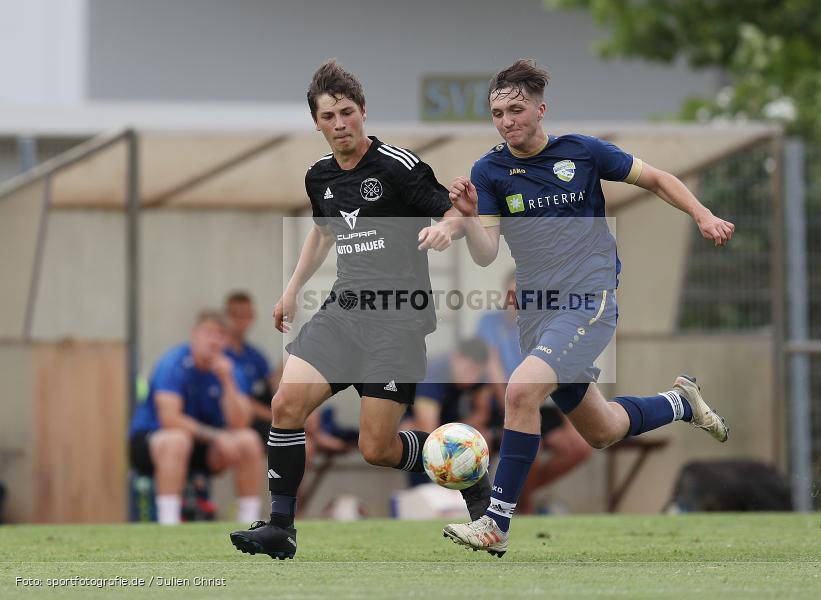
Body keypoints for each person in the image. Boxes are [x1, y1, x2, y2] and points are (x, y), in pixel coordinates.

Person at [443, 59, 733, 556]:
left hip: (588, 299)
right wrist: (470, 219)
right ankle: (681, 402)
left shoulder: (582, 152)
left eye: (516, 109)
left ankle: (495, 522)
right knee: (603, 431)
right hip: (537, 313)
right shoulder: (488, 170)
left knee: (520, 392)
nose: (507, 121)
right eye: (497, 113)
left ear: (540, 108)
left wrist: (702, 215)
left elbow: (658, 179)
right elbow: (487, 253)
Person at [229, 59, 491, 559]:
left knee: (378, 449)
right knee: (285, 405)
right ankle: (280, 527)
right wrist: (292, 289)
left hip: (398, 321)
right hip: (342, 315)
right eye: (328, 117)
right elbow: (324, 231)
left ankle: (469, 470)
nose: (339, 124)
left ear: (363, 112)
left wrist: (445, 229)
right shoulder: (319, 177)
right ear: (317, 123)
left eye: (347, 112)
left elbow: (455, 211)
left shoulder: (399, 166)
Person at [128, 310, 264, 525]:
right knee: (176, 440)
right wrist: (218, 436)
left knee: (248, 439)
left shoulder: (231, 369)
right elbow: (169, 419)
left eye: (220, 335)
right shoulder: (173, 363)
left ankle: (249, 520)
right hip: (154, 440)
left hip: (202, 444)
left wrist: (228, 381)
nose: (213, 340)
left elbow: (240, 423)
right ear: (194, 334)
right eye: (208, 333)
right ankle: (169, 521)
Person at [476, 271, 593, 515]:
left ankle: (514, 498)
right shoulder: (489, 323)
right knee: (532, 448)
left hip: (544, 404)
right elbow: (494, 370)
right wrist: (514, 411)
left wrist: (572, 420)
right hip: (507, 403)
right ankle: (525, 508)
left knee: (579, 448)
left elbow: (561, 373)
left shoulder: (547, 326)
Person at [223, 291, 277, 443]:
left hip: (264, 415)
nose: (242, 321)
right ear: (226, 316)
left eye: (247, 315)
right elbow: (243, 401)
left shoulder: (255, 355)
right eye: (236, 315)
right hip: (239, 418)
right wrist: (278, 417)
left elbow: (274, 386)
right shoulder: (221, 355)